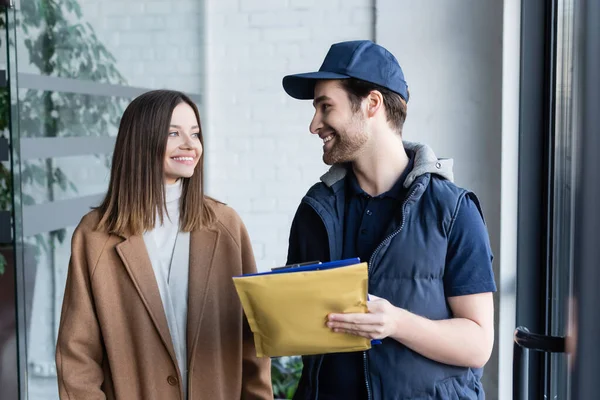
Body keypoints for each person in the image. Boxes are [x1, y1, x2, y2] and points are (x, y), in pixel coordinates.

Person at [282, 40, 496, 399]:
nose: (314, 124)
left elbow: (478, 344)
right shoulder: (315, 210)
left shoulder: (453, 210)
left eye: (325, 107)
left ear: (372, 104)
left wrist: (396, 322)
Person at [55, 90, 273, 400]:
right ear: (141, 140)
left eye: (195, 134)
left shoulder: (226, 226)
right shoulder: (95, 235)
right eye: (174, 133)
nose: (190, 144)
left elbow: (252, 338)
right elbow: (77, 354)